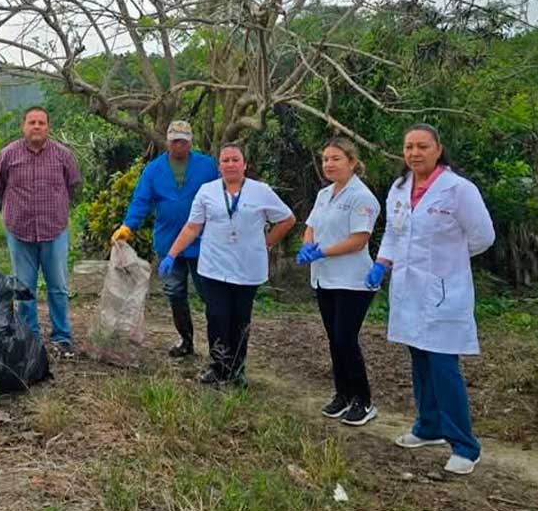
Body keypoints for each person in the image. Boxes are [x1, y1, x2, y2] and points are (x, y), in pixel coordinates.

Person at [366, 123, 494, 476]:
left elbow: (483, 236)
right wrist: (381, 264)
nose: (414, 153)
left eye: (422, 146)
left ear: (438, 149)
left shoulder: (458, 190)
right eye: (409, 147)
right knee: (419, 357)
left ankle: (465, 445)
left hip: (443, 289)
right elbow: (393, 233)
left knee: (442, 364)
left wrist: (445, 259)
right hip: (408, 290)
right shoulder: (398, 188)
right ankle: (429, 426)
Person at [161, 143, 296, 385]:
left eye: (235, 160)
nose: (231, 164)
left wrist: (266, 243)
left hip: (247, 268)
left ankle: (236, 369)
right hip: (215, 266)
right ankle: (218, 365)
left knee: (240, 319)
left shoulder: (261, 191)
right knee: (217, 316)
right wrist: (172, 254)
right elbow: (193, 226)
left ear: (245, 164)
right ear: (219, 166)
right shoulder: (207, 191)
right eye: (226, 160)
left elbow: (287, 219)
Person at [112, 120, 219, 357]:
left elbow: (220, 194)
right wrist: (128, 227)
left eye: (183, 141)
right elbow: (141, 201)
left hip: (203, 242)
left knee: (210, 294)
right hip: (168, 243)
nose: (179, 145)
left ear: (190, 142)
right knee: (175, 293)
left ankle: (218, 344)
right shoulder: (153, 170)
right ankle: (186, 340)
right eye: (174, 141)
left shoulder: (207, 166)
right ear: (168, 142)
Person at [296, 137, 381, 426]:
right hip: (325, 279)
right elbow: (310, 227)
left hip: (352, 280)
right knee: (335, 340)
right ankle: (343, 395)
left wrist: (322, 251)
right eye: (325, 159)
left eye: (336, 159)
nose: (329, 164)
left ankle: (363, 400)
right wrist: (307, 245)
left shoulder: (362, 197)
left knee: (346, 338)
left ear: (352, 162)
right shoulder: (325, 194)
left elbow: (359, 240)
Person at [0, 106, 81, 357]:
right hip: (19, 231)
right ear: (23, 126)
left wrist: (57, 208)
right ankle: (28, 336)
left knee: (58, 287)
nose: (36, 126)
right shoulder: (8, 155)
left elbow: (72, 186)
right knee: (23, 288)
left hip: (54, 231)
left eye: (41, 122)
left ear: (48, 127)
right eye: (31, 122)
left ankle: (62, 336)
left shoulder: (63, 155)